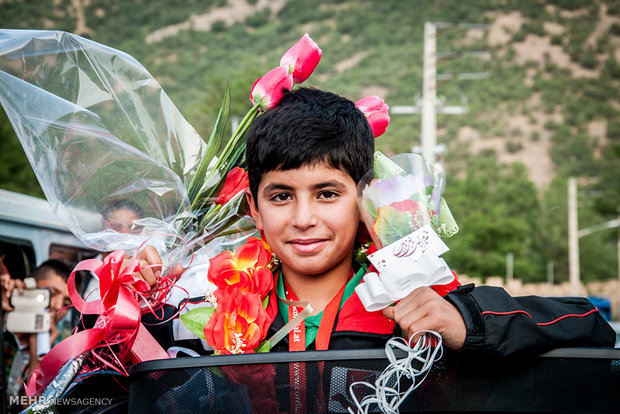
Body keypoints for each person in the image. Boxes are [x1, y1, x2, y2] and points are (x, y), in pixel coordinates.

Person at [135, 88, 615, 356]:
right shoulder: (211, 310)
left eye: (327, 194)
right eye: (281, 196)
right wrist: (137, 308)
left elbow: (593, 326)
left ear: (365, 202)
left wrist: (469, 322)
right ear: (255, 210)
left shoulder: (415, 300)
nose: (304, 219)